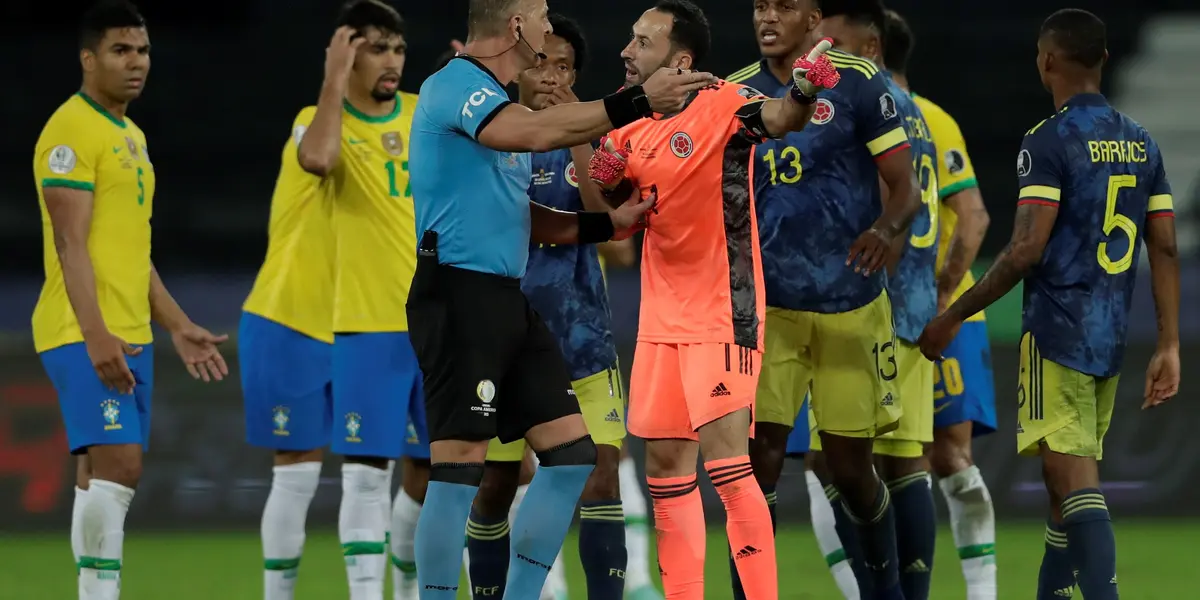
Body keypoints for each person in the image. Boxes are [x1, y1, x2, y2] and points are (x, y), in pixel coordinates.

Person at [406, 0, 711, 596]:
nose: (548, 27)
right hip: (458, 295)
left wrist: (605, 225)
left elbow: (518, 214)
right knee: (461, 469)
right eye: (541, 14)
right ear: (515, 25)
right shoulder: (455, 85)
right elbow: (534, 131)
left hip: (506, 298)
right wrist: (638, 100)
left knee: (573, 454)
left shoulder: (502, 106)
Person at [919, 9, 1180, 600]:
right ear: (1104, 60)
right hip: (1111, 335)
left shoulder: (1048, 139)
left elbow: (1024, 250)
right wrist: (1168, 344)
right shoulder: (1141, 140)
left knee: (1073, 481)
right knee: (1062, 490)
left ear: (1046, 62)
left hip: (1059, 330)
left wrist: (952, 316)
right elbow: (1164, 245)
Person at [591, 2, 839, 598]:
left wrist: (803, 90)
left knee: (728, 470)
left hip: (722, 311)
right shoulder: (626, 121)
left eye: (642, 41)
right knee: (665, 473)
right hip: (659, 319)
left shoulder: (723, 102)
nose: (627, 50)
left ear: (680, 60)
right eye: (630, 39)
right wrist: (607, 184)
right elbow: (620, 220)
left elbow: (781, 118)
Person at [34, 2, 229, 598]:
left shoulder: (132, 137)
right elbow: (69, 243)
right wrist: (95, 335)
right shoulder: (71, 129)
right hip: (82, 328)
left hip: (129, 332)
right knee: (121, 466)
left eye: (142, 50)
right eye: (120, 50)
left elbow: (131, 252)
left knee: (97, 473)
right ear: (88, 59)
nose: (136, 61)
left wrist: (177, 324)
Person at [729, 0, 920, 597]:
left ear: (813, 19)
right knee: (757, 463)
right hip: (770, 310)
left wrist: (885, 230)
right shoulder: (734, 91)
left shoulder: (860, 82)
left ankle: (885, 590)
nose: (767, 18)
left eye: (782, 7)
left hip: (850, 305)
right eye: (760, 6)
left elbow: (906, 187)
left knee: (850, 470)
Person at [261, 2, 429, 598]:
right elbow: (317, 159)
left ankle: (408, 588)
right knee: (365, 475)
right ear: (347, 53)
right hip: (366, 323)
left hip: (434, 322)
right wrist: (334, 79)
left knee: (440, 474)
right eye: (377, 48)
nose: (392, 61)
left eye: (398, 48)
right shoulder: (317, 120)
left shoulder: (423, 112)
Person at [463, 15, 633, 600]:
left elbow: (617, 241)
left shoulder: (600, 146)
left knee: (602, 479)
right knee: (495, 486)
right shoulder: (489, 137)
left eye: (564, 67)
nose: (552, 76)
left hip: (584, 343)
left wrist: (578, 135)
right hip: (505, 346)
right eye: (541, 62)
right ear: (519, 69)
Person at [818, 7, 942, 599]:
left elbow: (881, 203)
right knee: (901, 460)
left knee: (840, 461)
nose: (821, 54)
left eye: (833, 43)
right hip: (914, 301)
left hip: (871, 304)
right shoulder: (912, 109)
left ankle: (881, 593)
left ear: (869, 47)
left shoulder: (864, 103)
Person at [883, 10, 998, 599]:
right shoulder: (855, 116)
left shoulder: (927, 118)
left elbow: (973, 217)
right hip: (882, 316)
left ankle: (982, 593)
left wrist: (945, 304)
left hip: (934, 315)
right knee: (866, 460)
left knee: (948, 455)